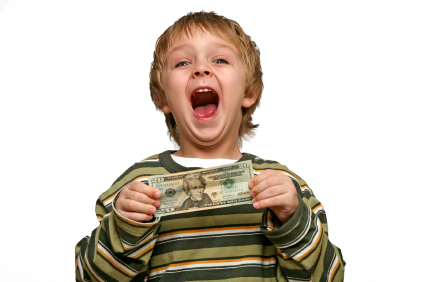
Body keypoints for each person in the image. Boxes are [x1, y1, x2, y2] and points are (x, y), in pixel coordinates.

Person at [75, 11, 345, 281]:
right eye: (182, 62)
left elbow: (331, 277)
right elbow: (89, 278)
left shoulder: (282, 187)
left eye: (220, 60)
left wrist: (294, 220)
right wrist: (124, 227)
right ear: (162, 98)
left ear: (249, 92)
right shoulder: (138, 185)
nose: (201, 69)